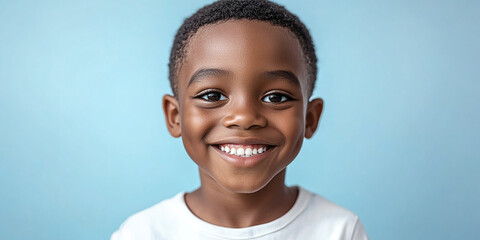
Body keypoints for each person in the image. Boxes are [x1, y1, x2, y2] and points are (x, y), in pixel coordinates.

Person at [111, 0, 369, 239]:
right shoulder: (142, 233)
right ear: (175, 117)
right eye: (212, 95)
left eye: (276, 98)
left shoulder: (340, 230)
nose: (245, 118)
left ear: (310, 118)